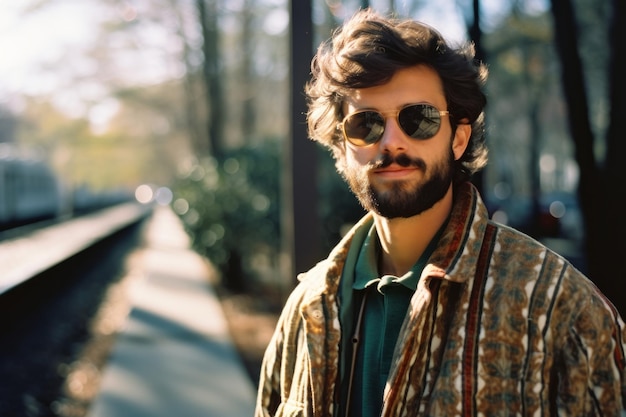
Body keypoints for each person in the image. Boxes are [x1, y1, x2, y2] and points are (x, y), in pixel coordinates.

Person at [255, 8, 626, 417]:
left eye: (420, 119)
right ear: (342, 148)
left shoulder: (560, 309)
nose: (392, 142)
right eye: (365, 124)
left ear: (458, 139)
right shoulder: (306, 310)